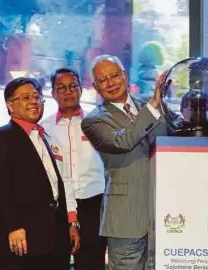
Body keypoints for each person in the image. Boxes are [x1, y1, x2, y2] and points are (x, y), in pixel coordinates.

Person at [0, 77, 80, 270]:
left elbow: (60, 184)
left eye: (37, 97)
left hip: (54, 238)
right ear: (10, 105)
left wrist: (71, 223)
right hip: (21, 237)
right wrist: (13, 226)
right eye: (25, 97)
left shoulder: (48, 139)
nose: (34, 102)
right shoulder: (0, 137)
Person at [81, 54, 167, 270]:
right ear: (96, 86)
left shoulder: (152, 107)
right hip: (125, 219)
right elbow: (123, 141)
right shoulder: (94, 120)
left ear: (125, 76)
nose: (111, 83)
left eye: (115, 75)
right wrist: (154, 104)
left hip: (165, 216)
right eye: (103, 80)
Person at [42, 68, 107, 270]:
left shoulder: (97, 123)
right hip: (58, 207)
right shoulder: (43, 129)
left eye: (73, 86)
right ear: (53, 93)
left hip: (92, 203)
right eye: (61, 88)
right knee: (55, 261)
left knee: (91, 263)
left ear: (81, 90)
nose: (68, 91)